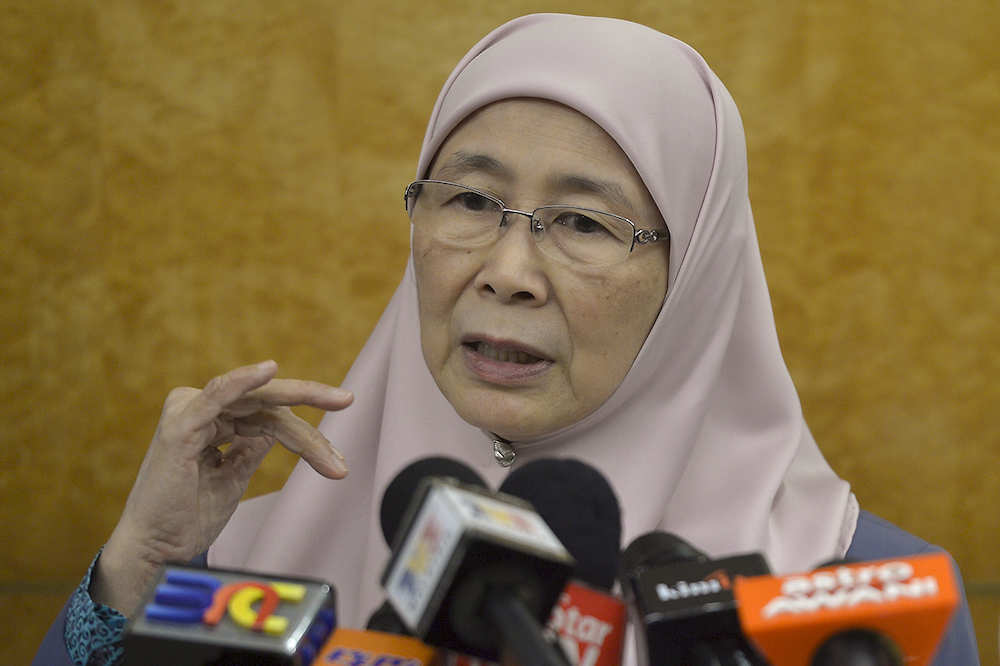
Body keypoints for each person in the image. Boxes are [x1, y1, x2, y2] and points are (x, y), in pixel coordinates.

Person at [34, 13, 979, 665]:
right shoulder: (229, 571)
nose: (509, 270)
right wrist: (140, 563)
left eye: (585, 223)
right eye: (472, 201)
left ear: (693, 279)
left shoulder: (855, 596)